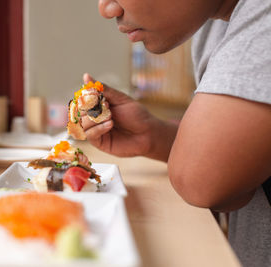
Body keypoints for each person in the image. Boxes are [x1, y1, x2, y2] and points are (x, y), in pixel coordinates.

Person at [80, 0, 271, 266]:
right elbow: (235, 169)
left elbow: (201, 180)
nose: (107, 9)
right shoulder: (214, 26)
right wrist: (156, 138)